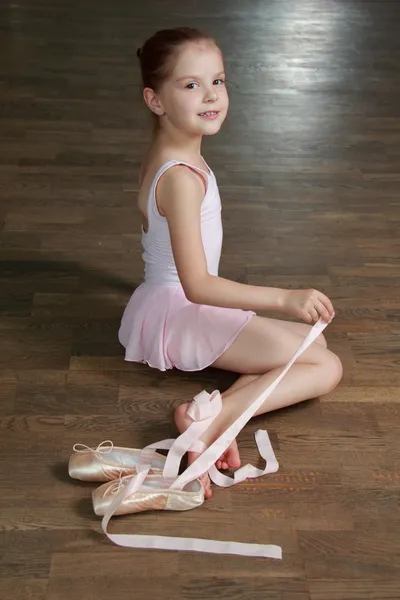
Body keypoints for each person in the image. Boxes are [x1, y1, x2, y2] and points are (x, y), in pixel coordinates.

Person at [119, 27, 343, 498]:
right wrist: (284, 297)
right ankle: (214, 420)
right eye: (190, 85)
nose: (211, 96)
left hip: (175, 304)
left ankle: (209, 410)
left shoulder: (170, 152)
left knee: (311, 344)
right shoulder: (180, 178)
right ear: (154, 100)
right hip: (182, 312)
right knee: (326, 369)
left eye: (217, 81)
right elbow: (198, 285)